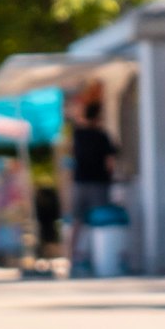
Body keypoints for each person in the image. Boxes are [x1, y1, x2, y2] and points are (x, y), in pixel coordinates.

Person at [66, 102, 117, 270]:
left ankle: (72, 257)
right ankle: (99, 258)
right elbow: (110, 162)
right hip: (98, 182)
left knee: (77, 221)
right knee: (100, 222)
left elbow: (72, 154)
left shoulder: (78, 134)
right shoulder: (102, 135)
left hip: (80, 181)